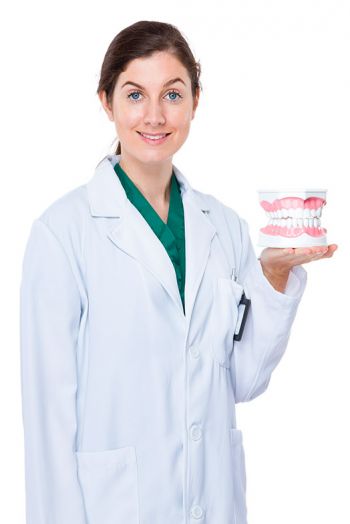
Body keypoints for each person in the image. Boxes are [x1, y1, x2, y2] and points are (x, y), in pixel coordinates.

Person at [19, 20, 338, 524]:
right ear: (106, 102)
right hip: (113, 508)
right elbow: (48, 420)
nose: (154, 115)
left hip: (213, 502)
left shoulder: (224, 227)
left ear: (194, 101)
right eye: (134, 94)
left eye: (172, 94)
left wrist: (273, 277)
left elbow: (242, 380)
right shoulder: (63, 234)